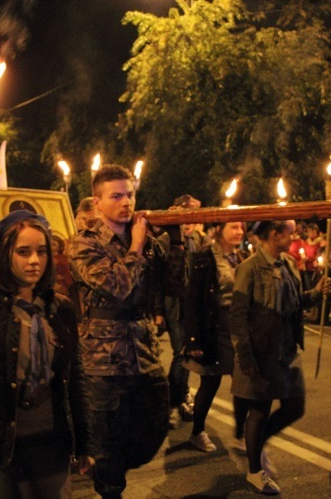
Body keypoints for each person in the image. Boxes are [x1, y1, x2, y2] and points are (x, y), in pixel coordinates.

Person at [0, 210, 94, 498]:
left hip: (52, 445)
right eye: (23, 252)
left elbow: (74, 377)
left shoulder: (61, 308)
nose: (34, 260)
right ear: (6, 255)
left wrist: (85, 441)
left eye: (41, 251)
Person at [67, 164, 168, 499]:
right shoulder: (83, 244)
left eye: (130, 194)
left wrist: (176, 243)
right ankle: (111, 490)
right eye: (117, 196)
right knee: (108, 445)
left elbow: (173, 287)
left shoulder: (147, 241)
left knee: (152, 427)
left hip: (144, 352)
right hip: (104, 360)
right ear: (97, 203)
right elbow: (117, 286)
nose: (127, 202)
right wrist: (136, 247)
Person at [229, 219, 331, 495]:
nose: (294, 235)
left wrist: (316, 293)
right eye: (290, 231)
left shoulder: (288, 264)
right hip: (262, 352)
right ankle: (254, 469)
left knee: (295, 406)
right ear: (275, 235)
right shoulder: (249, 269)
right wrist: (245, 355)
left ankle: (256, 445)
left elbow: (296, 303)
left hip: (287, 350)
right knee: (259, 410)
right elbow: (238, 317)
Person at [183, 221, 249, 453]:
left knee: (244, 383)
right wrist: (193, 339)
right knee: (210, 382)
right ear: (220, 229)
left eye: (242, 227)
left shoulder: (243, 256)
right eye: (233, 227)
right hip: (216, 327)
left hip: (240, 329)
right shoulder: (205, 257)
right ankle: (197, 431)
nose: (239, 231)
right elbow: (193, 299)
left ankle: (241, 434)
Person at [156, 194, 208, 429]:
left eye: (193, 217)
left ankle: (178, 396)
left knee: (186, 352)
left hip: (190, 304)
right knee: (181, 353)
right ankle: (172, 402)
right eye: (185, 216)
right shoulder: (166, 238)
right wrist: (157, 310)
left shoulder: (197, 240)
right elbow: (157, 275)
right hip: (172, 302)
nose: (189, 222)